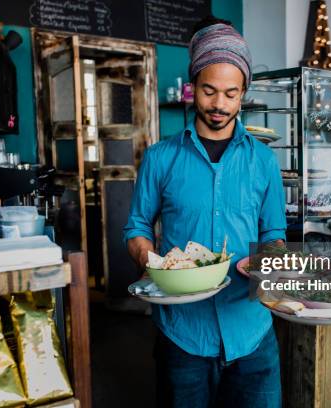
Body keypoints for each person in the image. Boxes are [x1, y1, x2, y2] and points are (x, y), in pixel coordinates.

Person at [124, 16, 286, 408]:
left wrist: (271, 260)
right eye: (209, 90)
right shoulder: (161, 157)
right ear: (192, 86)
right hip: (184, 333)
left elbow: (273, 234)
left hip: (251, 330)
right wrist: (153, 262)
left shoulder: (263, 161)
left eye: (231, 94)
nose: (219, 105)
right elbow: (137, 227)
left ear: (243, 92)